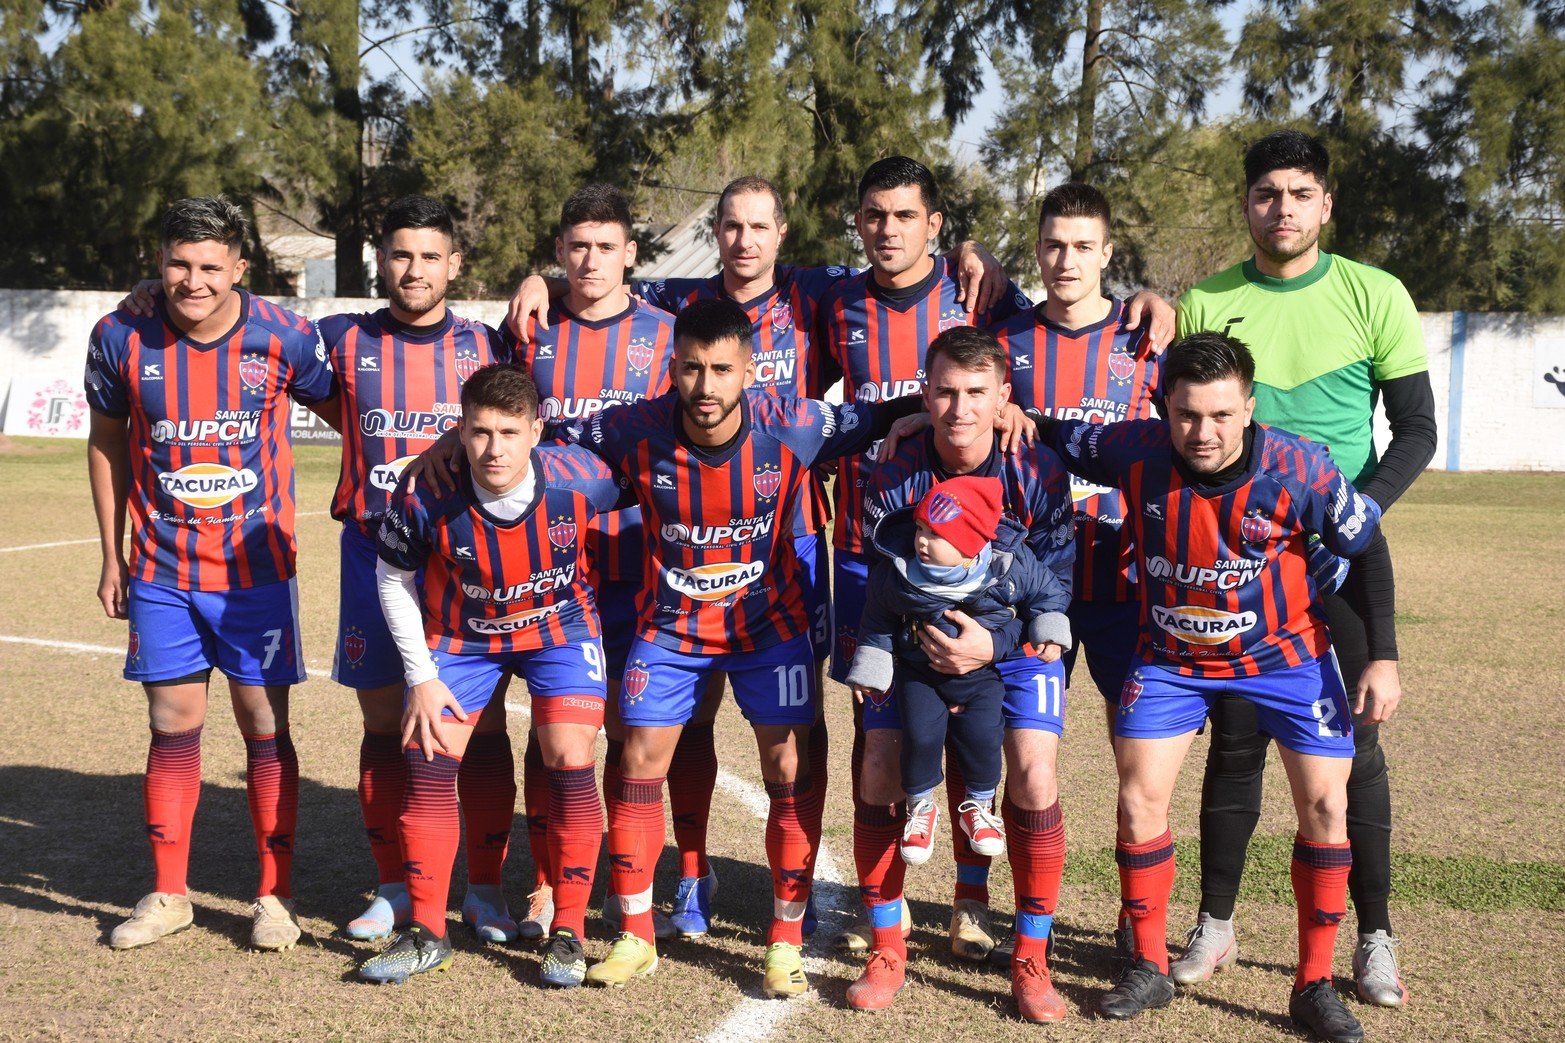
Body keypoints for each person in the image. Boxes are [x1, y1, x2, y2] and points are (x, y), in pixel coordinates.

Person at [505, 175, 1010, 938]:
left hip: (792, 544)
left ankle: (828, 901)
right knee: (688, 715)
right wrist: (540, 278)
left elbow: (906, 291)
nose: (744, 240)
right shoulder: (679, 300)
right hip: (687, 543)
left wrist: (966, 277)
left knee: (799, 733)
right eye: (730, 226)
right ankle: (694, 873)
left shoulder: (815, 294)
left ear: (783, 234)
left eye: (759, 226)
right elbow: (601, 272)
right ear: (715, 232)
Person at [117, 197, 521, 945]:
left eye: (431, 256)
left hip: (463, 559)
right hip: (372, 550)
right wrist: (143, 293)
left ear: (455, 265)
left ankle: (487, 889)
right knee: (380, 720)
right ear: (381, 262)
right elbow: (238, 318)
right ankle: (394, 885)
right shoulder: (336, 339)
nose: (415, 270)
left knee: (480, 721)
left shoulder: (488, 344)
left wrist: (545, 286)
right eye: (401, 255)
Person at [818, 156, 1174, 960]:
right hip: (973, 581)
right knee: (928, 736)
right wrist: (909, 416)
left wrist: (1164, 305)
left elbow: (1179, 434)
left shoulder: (1141, 336)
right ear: (1038, 249)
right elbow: (953, 372)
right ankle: (952, 905)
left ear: (1107, 252)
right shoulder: (1003, 335)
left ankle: (1129, 913)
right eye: (1053, 243)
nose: (1066, 259)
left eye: (1083, 245)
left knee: (1120, 756)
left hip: (1103, 574)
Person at [549, 298, 923, 998]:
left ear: (749, 370)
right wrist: (456, 446)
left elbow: (877, 412)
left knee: (788, 764)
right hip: (670, 628)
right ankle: (635, 933)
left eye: (722, 369)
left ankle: (783, 941)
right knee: (635, 756)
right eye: (691, 368)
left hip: (768, 629)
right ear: (673, 368)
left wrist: (933, 408)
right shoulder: (633, 426)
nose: (705, 385)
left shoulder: (795, 423)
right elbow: (540, 427)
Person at [1035, 332, 1391, 1043]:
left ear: (1249, 407)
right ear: (1164, 408)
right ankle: (1145, 964)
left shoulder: (1300, 468)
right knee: (1138, 797)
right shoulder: (1130, 450)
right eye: (1187, 414)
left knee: (1325, 802)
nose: (1203, 431)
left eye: (1222, 415)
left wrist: (1381, 657)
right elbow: (1045, 428)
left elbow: (1366, 544)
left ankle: (1312, 983)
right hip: (1170, 659)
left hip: (1286, 659)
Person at [1172, 129, 1437, 1007]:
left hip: (1339, 561)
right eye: (1264, 193)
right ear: (1244, 204)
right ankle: (1214, 922)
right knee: (1237, 738)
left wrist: (1348, 515)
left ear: (1324, 203)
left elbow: (1417, 430)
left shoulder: (1375, 293)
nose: (1279, 207)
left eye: (1297, 192)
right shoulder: (1205, 299)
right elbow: (1186, 428)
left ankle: (1373, 937)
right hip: (1236, 567)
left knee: (1353, 751)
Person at [86, 196, 339, 952]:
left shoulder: (285, 335)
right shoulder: (120, 334)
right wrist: (112, 553)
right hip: (163, 569)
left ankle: (274, 896)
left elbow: (353, 412)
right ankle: (168, 893)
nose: (191, 281)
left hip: (256, 572)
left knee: (264, 726)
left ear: (239, 267)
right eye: (177, 264)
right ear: (158, 262)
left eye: (208, 266)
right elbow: (106, 444)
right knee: (171, 726)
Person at [361, 363, 627, 987]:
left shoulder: (583, 477)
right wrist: (422, 677)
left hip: (560, 631)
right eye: (480, 432)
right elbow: (393, 581)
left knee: (568, 754)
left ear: (538, 430)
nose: (493, 448)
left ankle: (569, 931)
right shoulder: (424, 490)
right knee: (427, 750)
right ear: (460, 428)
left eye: (510, 432)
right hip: (461, 637)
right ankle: (427, 932)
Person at [844, 326, 1076, 1021]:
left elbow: (1051, 581)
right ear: (923, 392)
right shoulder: (892, 467)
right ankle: (888, 947)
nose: (959, 408)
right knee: (880, 762)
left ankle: (1029, 958)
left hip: (1009, 648)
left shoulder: (1036, 470)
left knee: (1033, 770)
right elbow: (889, 580)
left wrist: (992, 642)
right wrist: (921, 644)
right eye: (944, 391)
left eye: (976, 392)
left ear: (1003, 395)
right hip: (911, 646)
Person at [509, 183, 678, 942]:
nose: (590, 260)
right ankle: (545, 879)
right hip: (549, 568)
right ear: (557, 252)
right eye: (576, 246)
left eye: (605, 246)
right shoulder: (526, 331)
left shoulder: (668, 337)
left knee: (625, 727)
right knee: (554, 728)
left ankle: (614, 874)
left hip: (642, 561)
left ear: (630, 255)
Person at [845, 474, 1071, 867]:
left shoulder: (1009, 566)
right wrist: (872, 665)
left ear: (971, 546)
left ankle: (980, 808)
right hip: (920, 672)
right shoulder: (899, 573)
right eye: (919, 528)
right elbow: (877, 618)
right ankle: (921, 808)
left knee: (984, 734)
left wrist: (1049, 629)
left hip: (983, 675)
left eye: (936, 534)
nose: (921, 541)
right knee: (919, 733)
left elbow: (1047, 593)